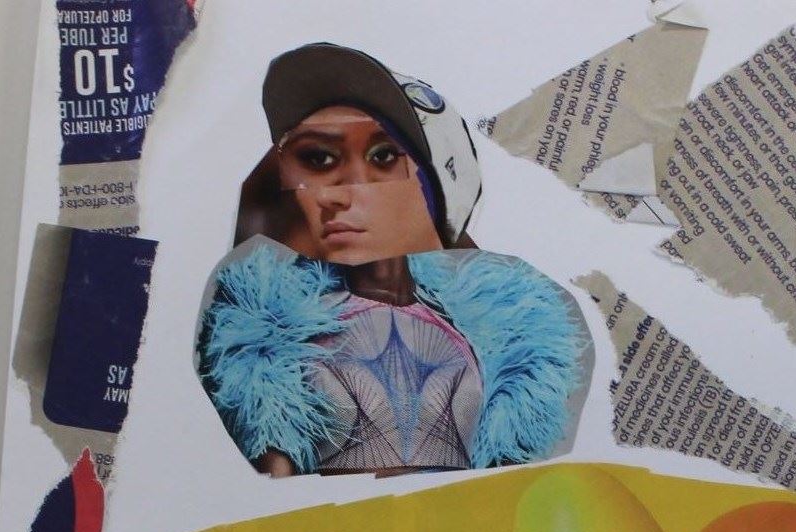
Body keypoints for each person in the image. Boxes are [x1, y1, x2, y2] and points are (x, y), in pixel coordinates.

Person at [196, 44, 590, 476]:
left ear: (440, 185)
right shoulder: (265, 345)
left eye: (383, 157)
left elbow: (509, 485)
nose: (331, 194)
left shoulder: (514, 348)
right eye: (317, 159)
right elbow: (267, 495)